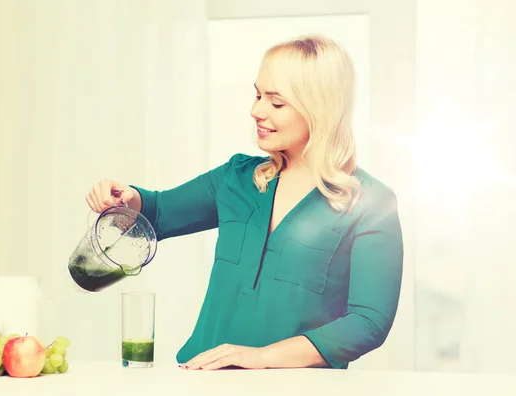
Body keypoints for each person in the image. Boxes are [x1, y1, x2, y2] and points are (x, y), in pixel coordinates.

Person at [86, 34, 403, 370]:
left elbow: (368, 322)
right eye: (257, 95)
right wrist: (127, 198)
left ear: (320, 109)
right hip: (201, 381)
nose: (256, 110)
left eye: (276, 102)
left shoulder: (372, 204)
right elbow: (158, 213)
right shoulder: (236, 177)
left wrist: (262, 357)